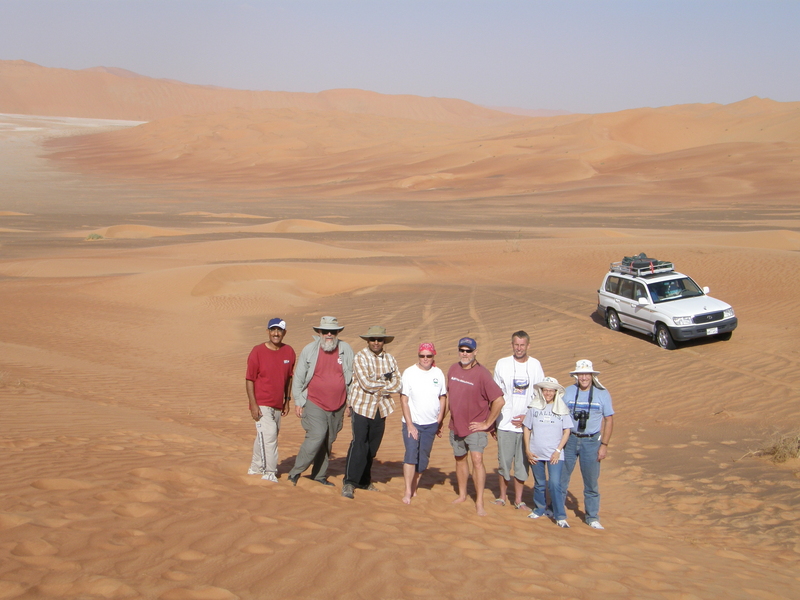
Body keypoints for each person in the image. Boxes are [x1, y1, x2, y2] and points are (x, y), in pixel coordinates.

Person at [287, 316, 354, 486]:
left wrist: (350, 402)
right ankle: (295, 472)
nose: (329, 334)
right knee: (317, 435)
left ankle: (319, 475)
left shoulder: (345, 349)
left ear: (338, 332)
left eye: (333, 331)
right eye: (325, 331)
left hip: (338, 404)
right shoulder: (309, 350)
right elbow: (299, 377)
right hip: (314, 402)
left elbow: (352, 377)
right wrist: (298, 401)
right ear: (319, 332)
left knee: (328, 440)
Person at [446, 337, 505, 516]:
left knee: (477, 460)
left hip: (475, 426)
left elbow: (499, 400)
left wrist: (487, 423)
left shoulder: (482, 374)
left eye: (468, 351)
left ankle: (479, 502)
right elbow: (450, 396)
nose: (465, 354)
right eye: (462, 350)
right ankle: (463, 495)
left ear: (475, 352)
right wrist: (442, 420)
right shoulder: (453, 369)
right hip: (456, 425)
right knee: (459, 458)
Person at [342, 326, 401, 499]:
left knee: (372, 448)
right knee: (359, 444)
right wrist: (385, 383)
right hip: (362, 406)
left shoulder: (390, 359)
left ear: (384, 341)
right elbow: (365, 383)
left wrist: (381, 384)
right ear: (368, 341)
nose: (376, 342)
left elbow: (398, 383)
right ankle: (349, 482)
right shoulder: (360, 357)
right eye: (373, 339)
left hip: (380, 408)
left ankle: (365, 480)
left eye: (379, 339)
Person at [560, 360, 614, 529]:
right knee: (561, 479)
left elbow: (609, 419)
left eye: (586, 374)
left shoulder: (602, 394)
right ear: (576, 376)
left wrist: (604, 445)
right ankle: (557, 510)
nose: (583, 377)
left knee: (591, 482)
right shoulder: (568, 392)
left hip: (592, 441)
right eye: (581, 374)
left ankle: (592, 517)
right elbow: (558, 415)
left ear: (592, 376)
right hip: (570, 439)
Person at [492, 330, 544, 509]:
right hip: (505, 423)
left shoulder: (536, 365)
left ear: (528, 346)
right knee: (504, 463)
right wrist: (492, 422)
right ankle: (502, 497)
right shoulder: (502, 364)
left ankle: (519, 500)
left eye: (522, 345)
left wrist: (527, 417)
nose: (519, 348)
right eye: (516, 344)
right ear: (512, 345)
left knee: (522, 465)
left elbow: (541, 396)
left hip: (526, 427)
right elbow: (495, 394)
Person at [246, 317, 296, 482]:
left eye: (279, 330)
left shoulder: (289, 352)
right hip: (262, 403)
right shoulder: (257, 351)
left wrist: (287, 401)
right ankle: (270, 472)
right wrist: (253, 405)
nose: (276, 333)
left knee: (265, 435)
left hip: (277, 404)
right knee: (270, 436)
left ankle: (255, 467)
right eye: (273, 330)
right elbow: (249, 379)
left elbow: (289, 378)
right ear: (268, 331)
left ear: (284, 332)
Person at [399, 342, 447, 504]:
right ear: (418, 356)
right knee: (411, 455)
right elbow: (404, 399)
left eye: (429, 356)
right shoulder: (409, 373)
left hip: (430, 424)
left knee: (423, 458)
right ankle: (407, 491)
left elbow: (443, 396)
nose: (425, 359)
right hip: (413, 423)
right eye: (422, 355)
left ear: (433, 356)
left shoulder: (438, 373)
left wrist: (439, 419)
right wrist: (410, 424)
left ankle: (414, 486)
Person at [522, 377, 573, 527]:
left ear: (556, 392)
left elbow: (567, 431)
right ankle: (539, 509)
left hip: (555, 454)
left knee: (555, 484)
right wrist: (527, 449)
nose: (548, 393)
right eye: (545, 390)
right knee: (539, 483)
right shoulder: (534, 408)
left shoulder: (562, 409)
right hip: (536, 452)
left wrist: (558, 451)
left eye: (551, 390)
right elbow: (527, 428)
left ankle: (560, 515)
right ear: (541, 391)